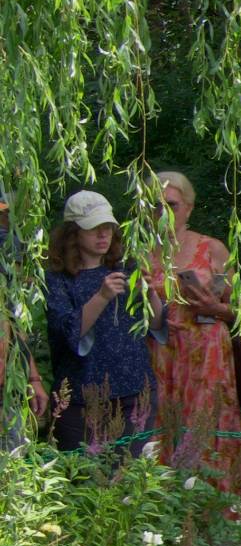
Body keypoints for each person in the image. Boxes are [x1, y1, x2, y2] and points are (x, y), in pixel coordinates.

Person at [148, 170, 241, 493]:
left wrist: (213, 307)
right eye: (155, 206)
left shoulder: (212, 249)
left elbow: (239, 313)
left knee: (208, 426)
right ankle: (163, 511)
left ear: (189, 208)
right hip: (161, 354)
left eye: (171, 205)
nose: (163, 213)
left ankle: (215, 508)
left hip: (206, 353)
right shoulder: (141, 251)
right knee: (159, 427)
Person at [46, 190, 158, 452]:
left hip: (134, 392)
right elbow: (69, 334)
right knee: (83, 483)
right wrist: (102, 296)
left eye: (108, 227)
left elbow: (157, 325)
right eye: (94, 228)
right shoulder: (57, 279)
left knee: (130, 481)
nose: (103, 234)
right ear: (73, 234)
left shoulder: (126, 268)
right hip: (79, 399)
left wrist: (150, 293)